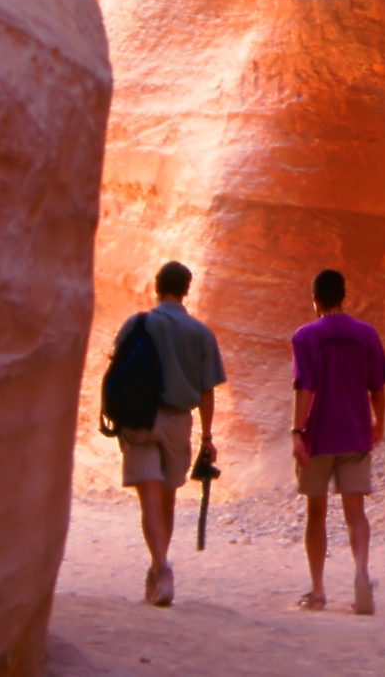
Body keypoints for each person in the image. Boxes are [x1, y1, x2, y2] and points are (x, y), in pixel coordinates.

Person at [117, 260, 225, 608]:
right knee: (167, 497)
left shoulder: (137, 323)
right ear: (186, 290)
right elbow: (208, 391)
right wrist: (208, 437)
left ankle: (160, 567)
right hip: (179, 421)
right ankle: (159, 566)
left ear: (156, 286)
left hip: (140, 420)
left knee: (148, 497)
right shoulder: (201, 333)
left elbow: (117, 367)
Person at [289, 267, 385, 615]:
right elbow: (377, 385)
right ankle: (361, 574)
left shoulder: (305, 336)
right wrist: (379, 421)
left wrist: (296, 432)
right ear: (344, 296)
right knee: (356, 512)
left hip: (319, 436)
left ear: (315, 298)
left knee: (316, 513)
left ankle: (318, 592)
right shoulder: (366, 334)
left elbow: (305, 387)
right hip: (355, 432)